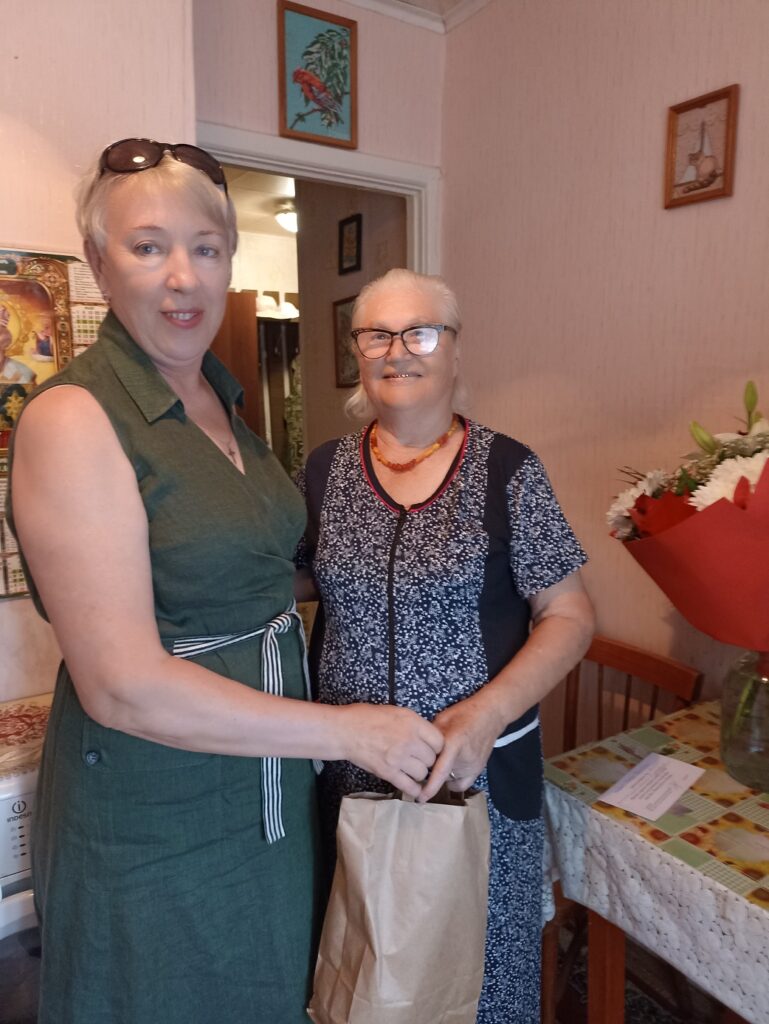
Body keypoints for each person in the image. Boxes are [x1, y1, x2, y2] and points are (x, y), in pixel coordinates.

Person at [7, 143, 444, 1024]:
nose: (183, 278)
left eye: (206, 248)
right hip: (156, 813)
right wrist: (347, 730)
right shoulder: (74, 418)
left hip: (264, 790)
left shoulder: (220, 403)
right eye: (147, 247)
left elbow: (249, 569)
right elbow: (122, 687)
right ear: (98, 262)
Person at [296, 268, 595, 1023]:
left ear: (455, 350)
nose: (398, 350)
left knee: (482, 983)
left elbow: (568, 614)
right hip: (353, 778)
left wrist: (485, 716)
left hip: (478, 778)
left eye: (421, 333)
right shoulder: (324, 470)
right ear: (358, 353)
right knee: (365, 974)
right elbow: (294, 578)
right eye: (377, 335)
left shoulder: (507, 469)